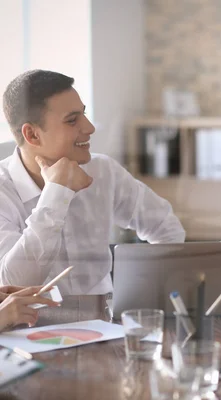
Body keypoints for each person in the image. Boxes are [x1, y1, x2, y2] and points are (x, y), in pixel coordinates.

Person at [0, 70, 185, 295]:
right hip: (31, 326)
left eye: (84, 114)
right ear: (32, 135)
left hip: (105, 321)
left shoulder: (103, 170)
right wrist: (56, 194)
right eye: (72, 120)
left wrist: (143, 293)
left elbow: (166, 227)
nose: (89, 128)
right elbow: (13, 283)